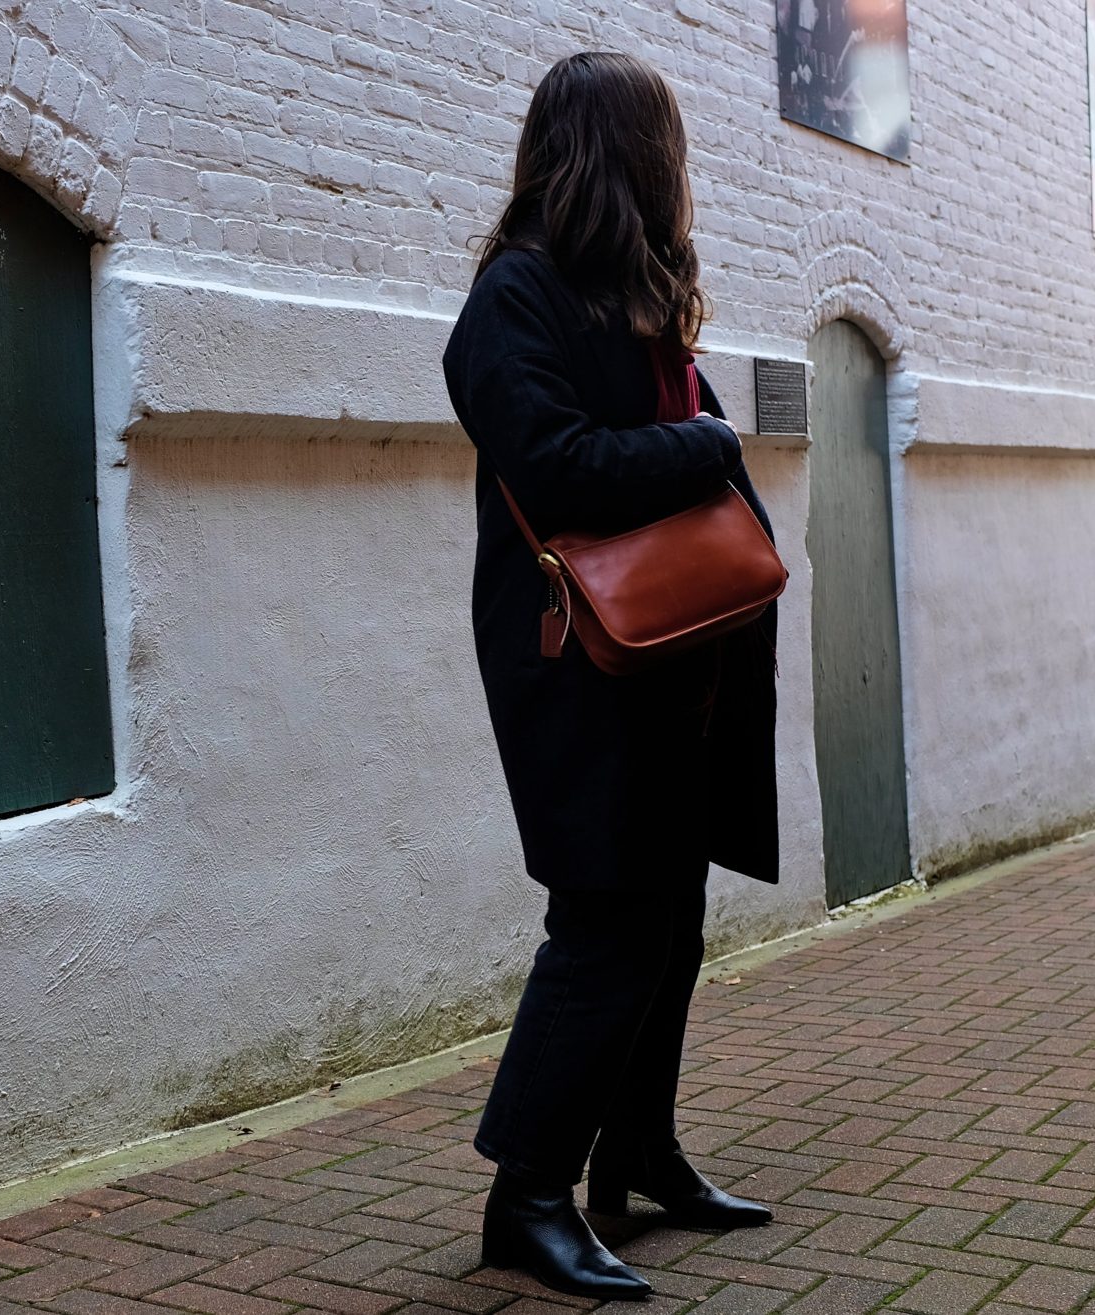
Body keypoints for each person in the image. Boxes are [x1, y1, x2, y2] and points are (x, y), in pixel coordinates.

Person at [440, 51, 782, 1302]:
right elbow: (563, 465)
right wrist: (702, 441)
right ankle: (524, 1193)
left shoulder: (626, 297)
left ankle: (635, 1160)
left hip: (670, 663)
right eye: (662, 148)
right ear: (623, 156)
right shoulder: (511, 301)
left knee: (669, 916)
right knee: (603, 920)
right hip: (572, 660)